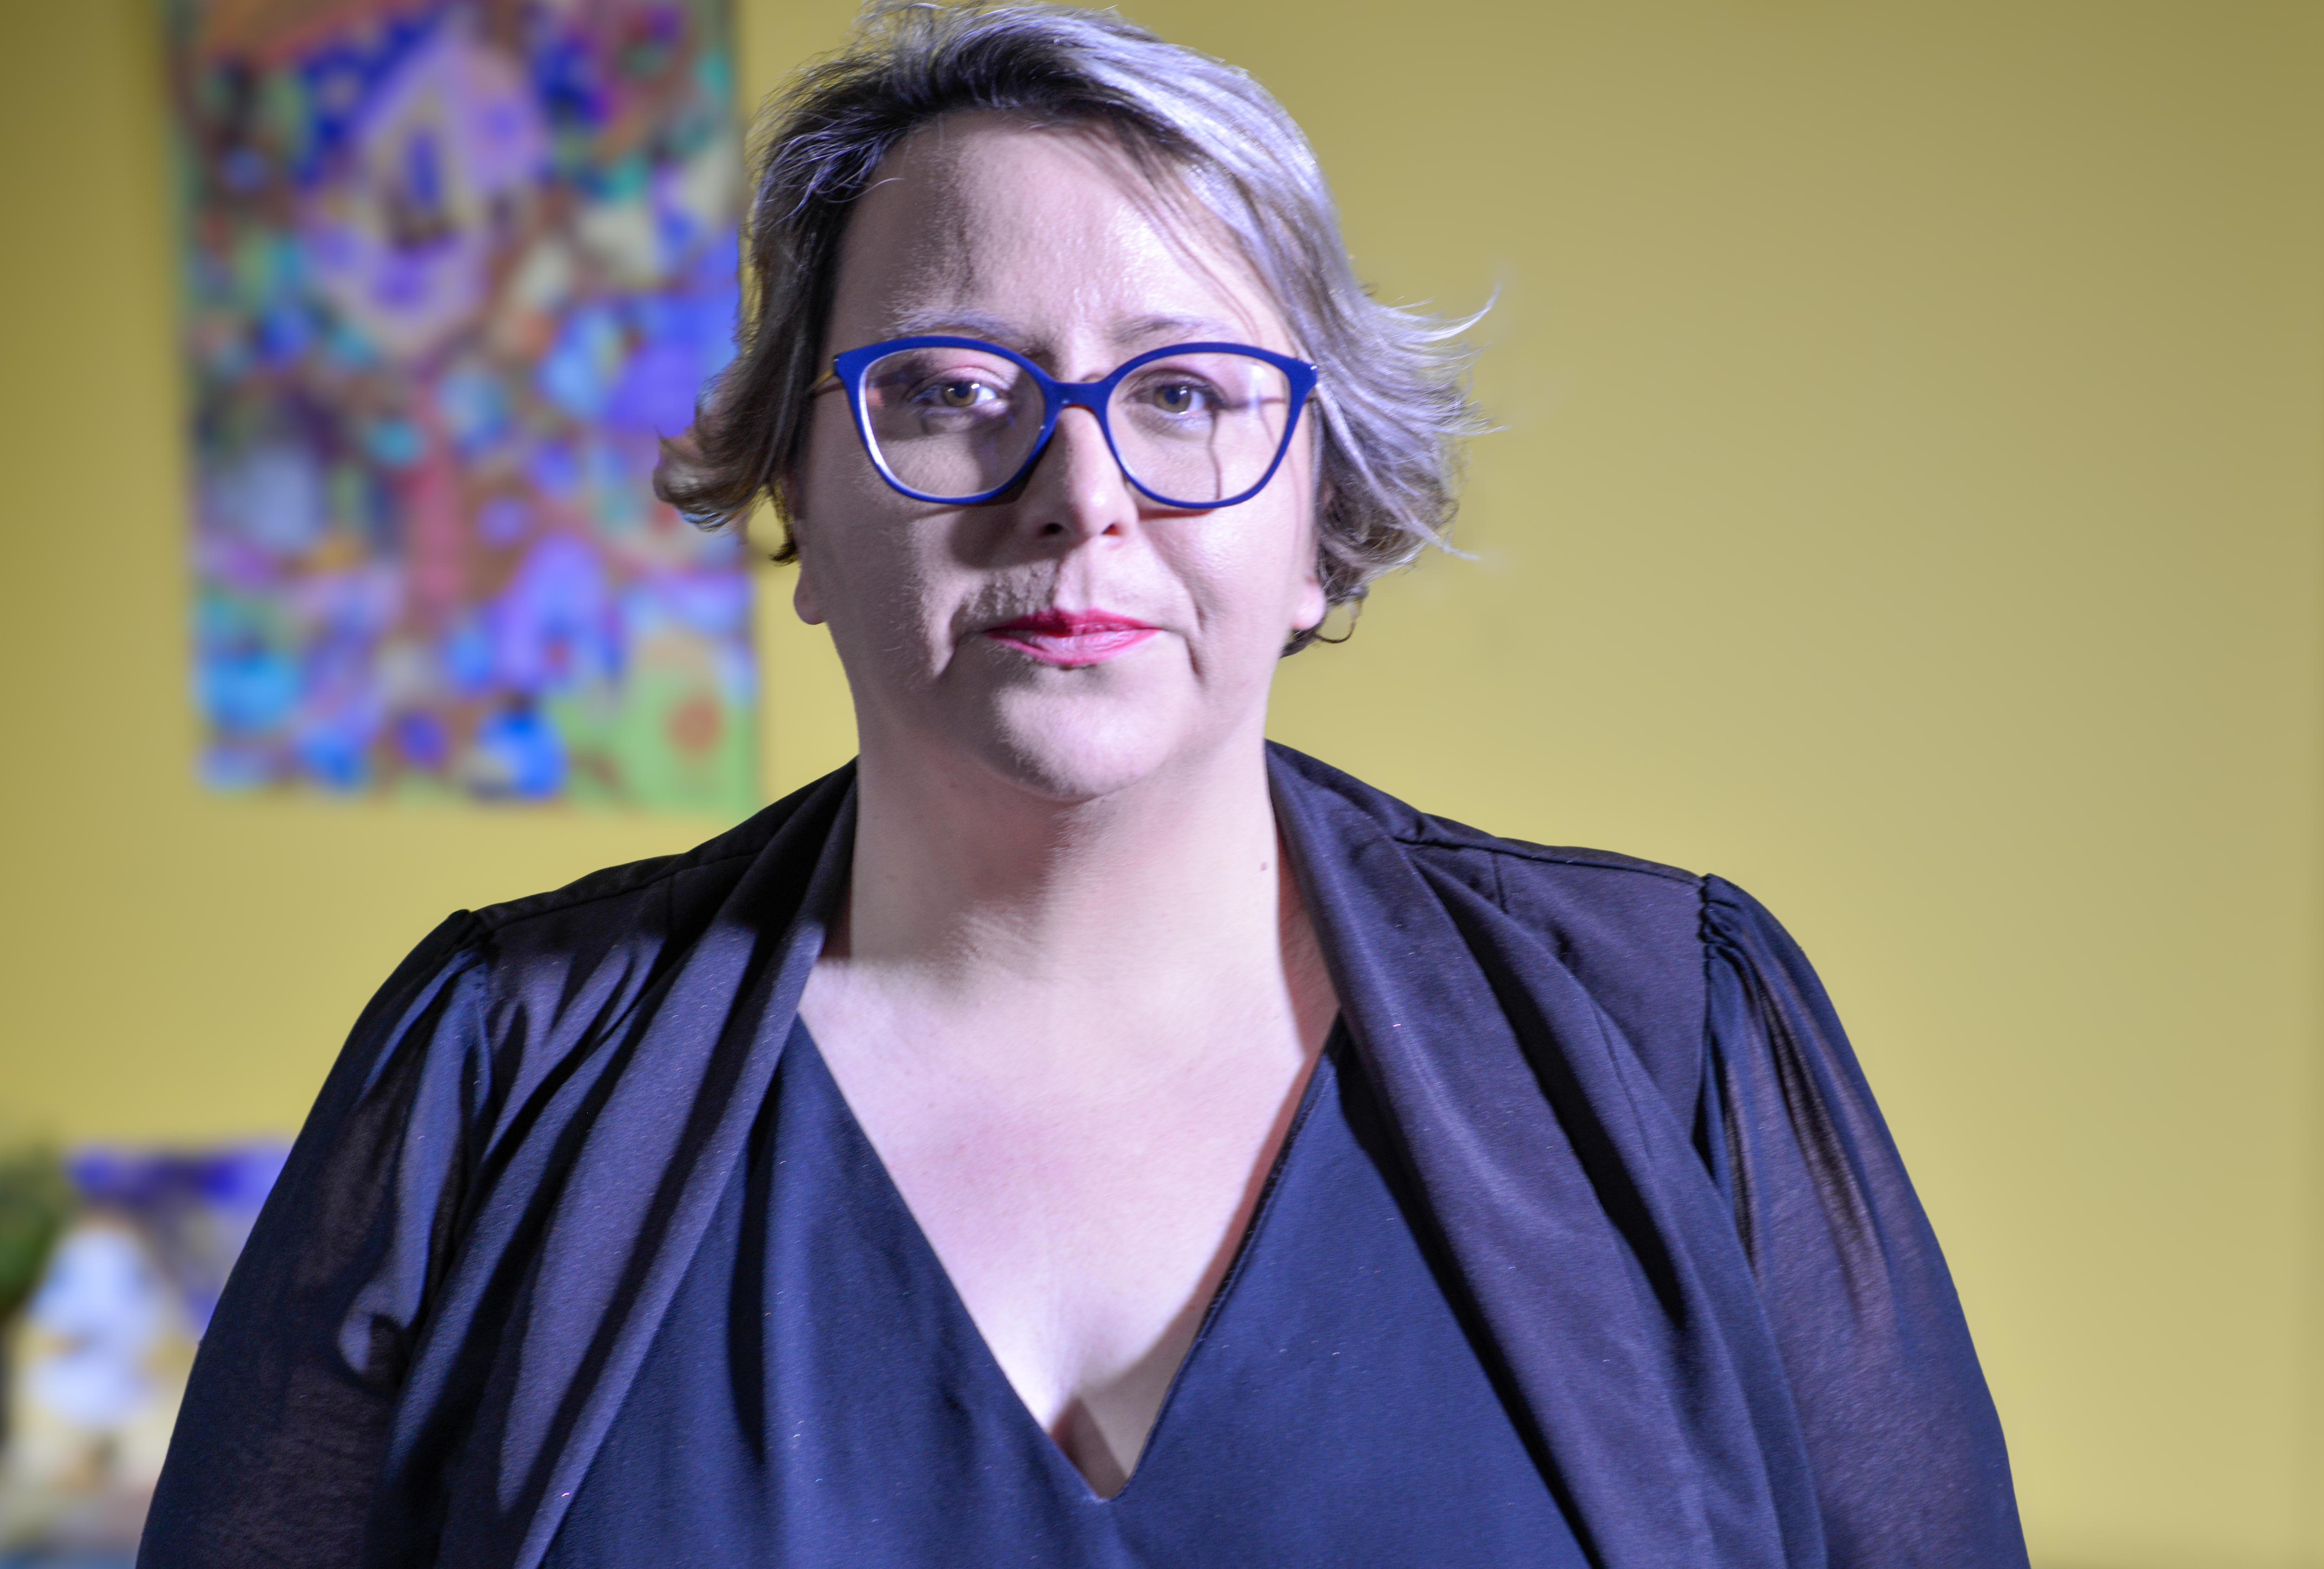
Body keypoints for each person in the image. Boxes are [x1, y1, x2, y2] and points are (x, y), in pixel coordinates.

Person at [141, 4, 2029, 1566]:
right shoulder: (491, 1072)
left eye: (1186, 390)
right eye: (951, 388)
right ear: (797, 489)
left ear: (1324, 522)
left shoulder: (1674, 1036)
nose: (1080, 490)